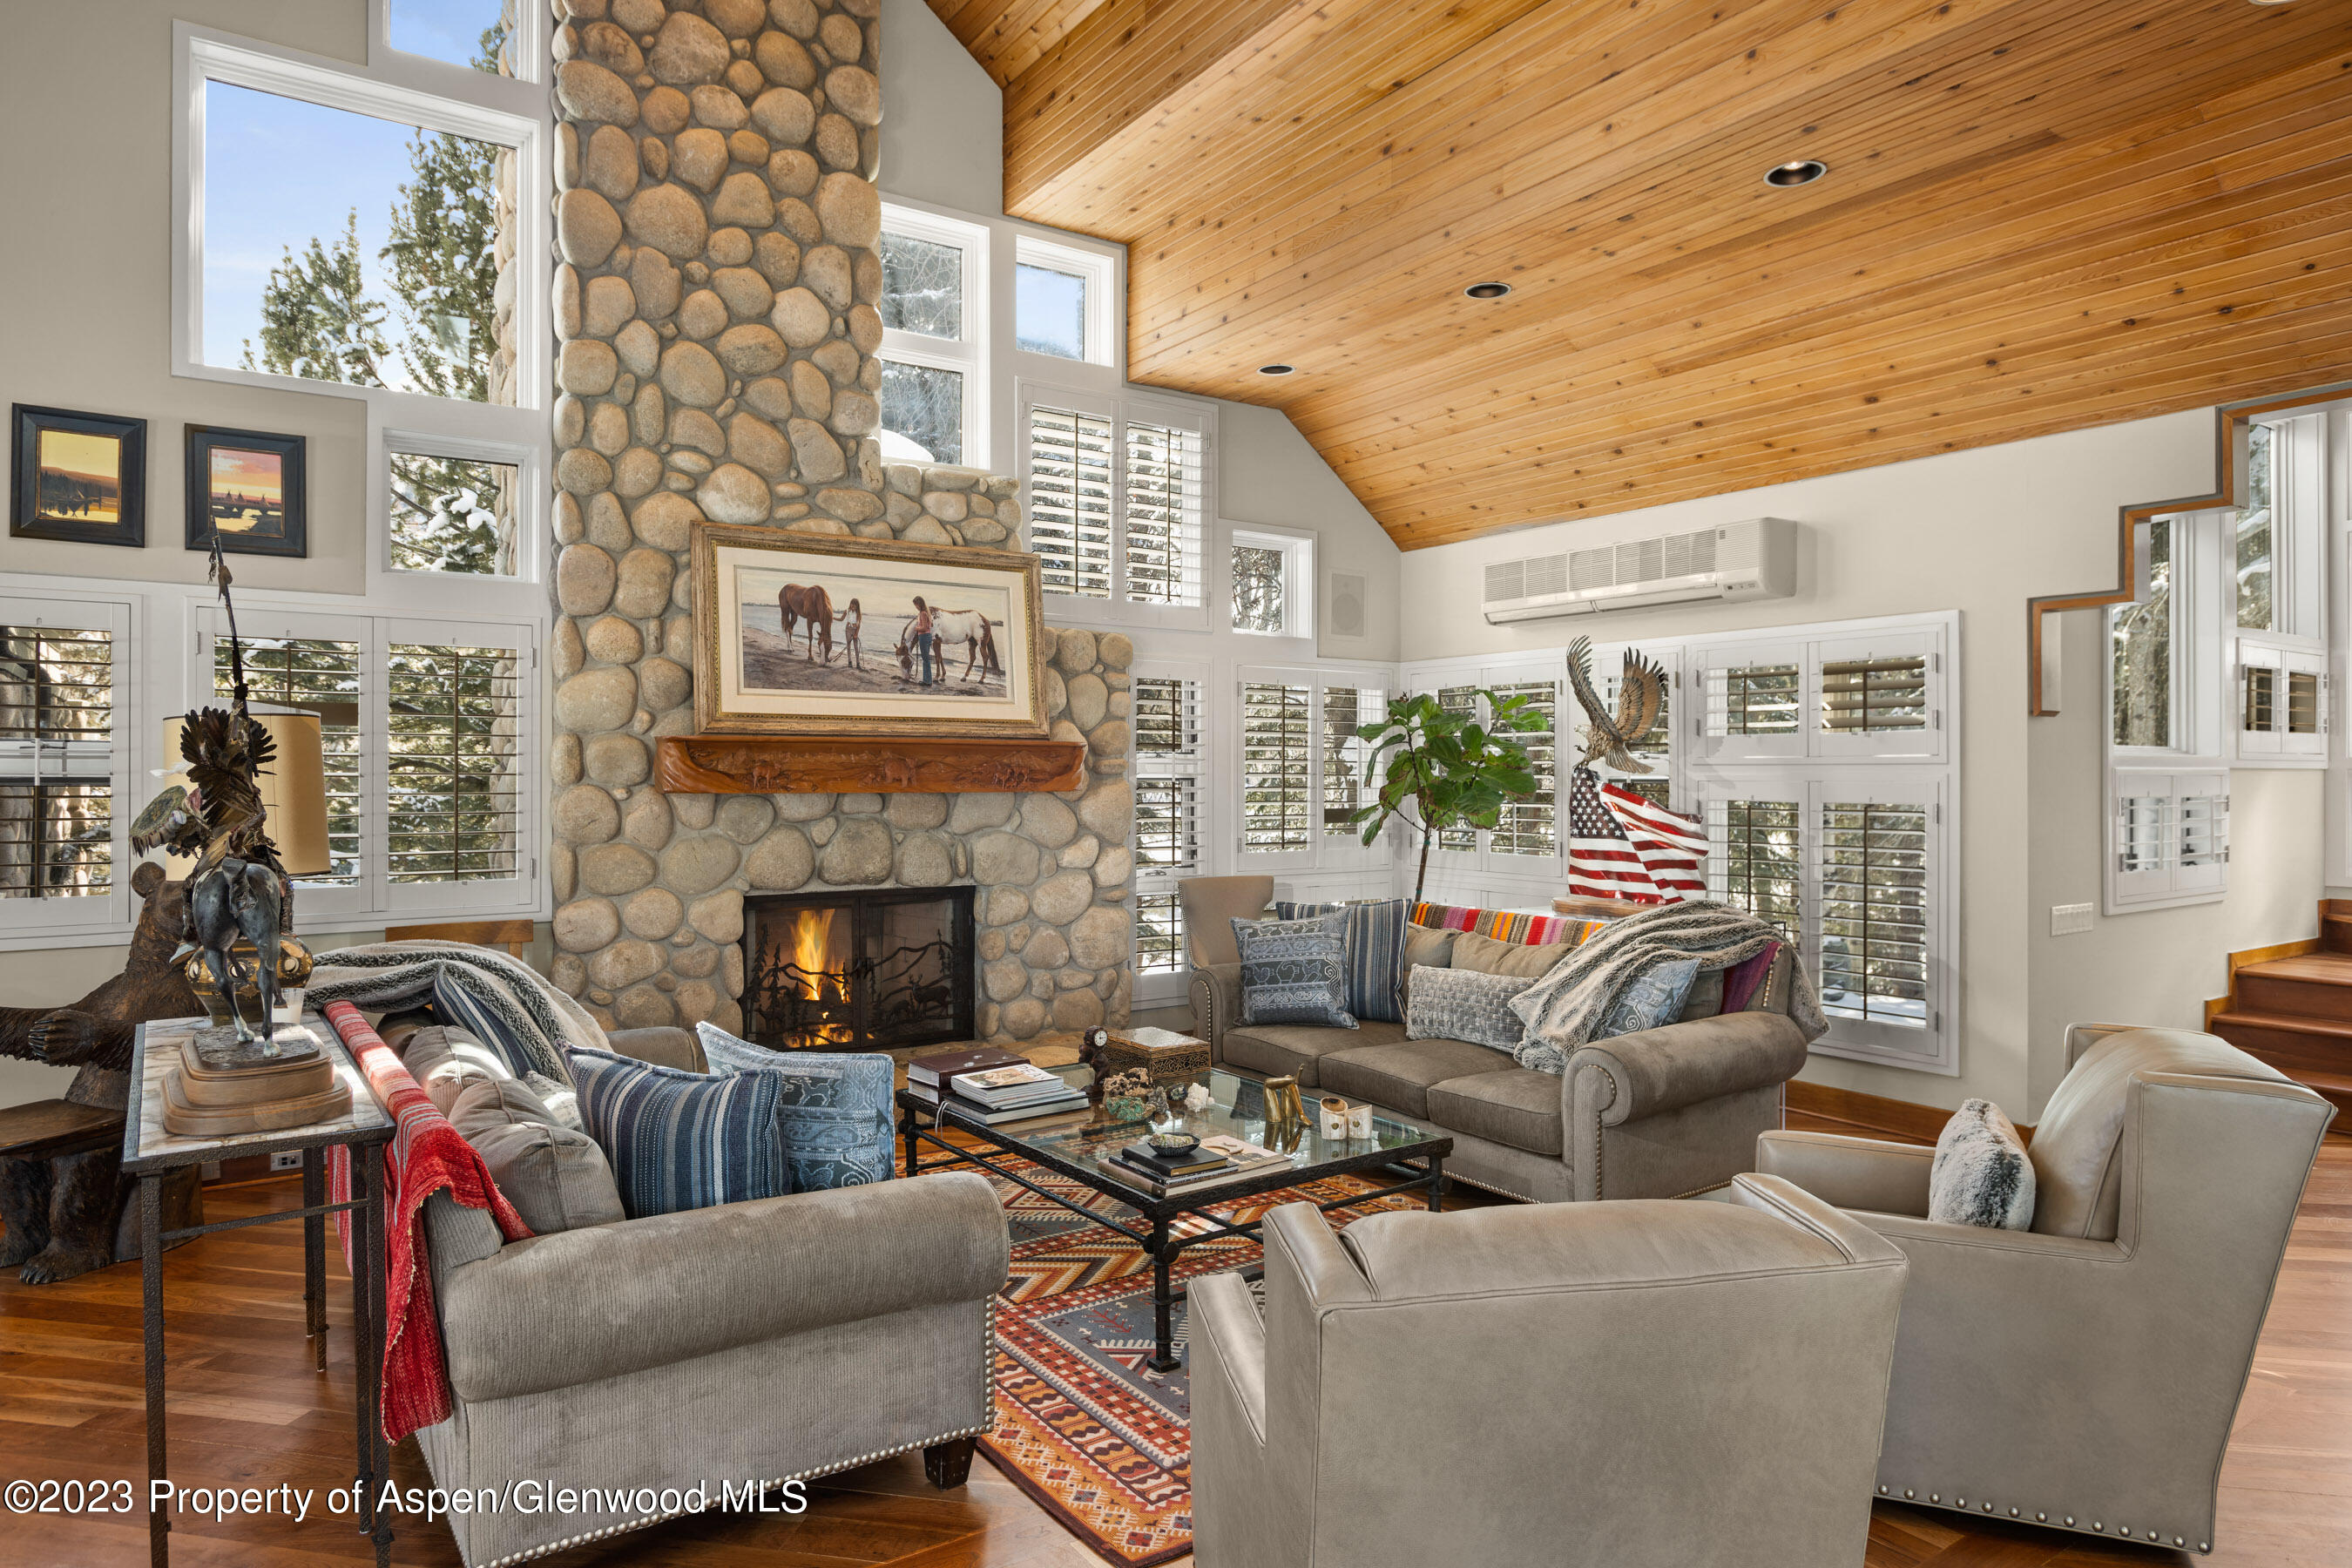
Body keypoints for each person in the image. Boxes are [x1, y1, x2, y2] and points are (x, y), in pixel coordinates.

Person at [909, 596, 936, 687]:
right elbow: (930, 625)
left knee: (925, 660)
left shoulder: (923, 614)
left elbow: (924, 628)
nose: (915, 607)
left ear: (919, 604)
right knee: (926, 659)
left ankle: (927, 681)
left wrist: (916, 628)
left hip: (924, 637)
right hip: (926, 636)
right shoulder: (926, 613)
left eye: (916, 605)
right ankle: (927, 680)